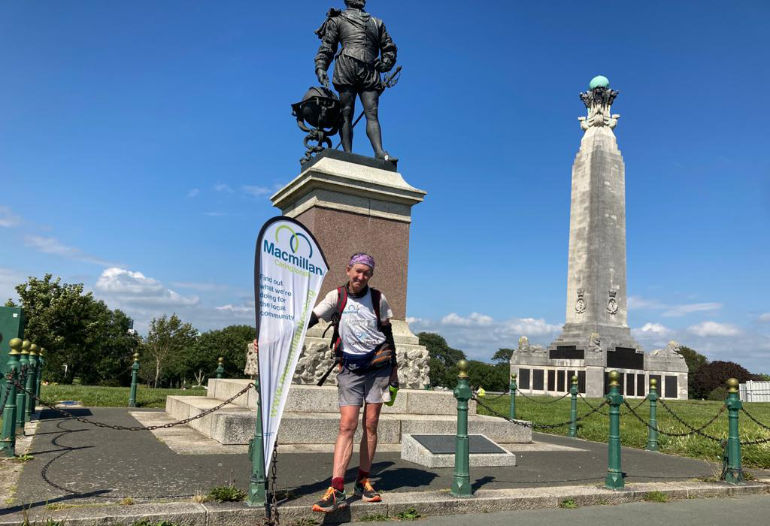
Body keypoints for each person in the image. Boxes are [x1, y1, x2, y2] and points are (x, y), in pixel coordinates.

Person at [253, 252, 397, 513]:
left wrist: (395, 369)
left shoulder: (378, 299)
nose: (361, 276)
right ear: (348, 270)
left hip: (378, 367)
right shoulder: (336, 296)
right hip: (350, 368)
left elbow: (388, 333)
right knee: (347, 425)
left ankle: (363, 479)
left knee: (371, 424)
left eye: (366, 273)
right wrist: (272, 337)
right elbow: (309, 320)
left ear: (371, 276)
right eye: (357, 271)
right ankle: (336, 487)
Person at [314, 0, 398, 161]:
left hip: (370, 69)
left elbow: (389, 47)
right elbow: (328, 46)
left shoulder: (376, 22)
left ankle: (379, 152)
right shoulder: (337, 19)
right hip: (346, 66)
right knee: (346, 112)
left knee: (372, 112)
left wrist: (386, 62)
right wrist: (321, 66)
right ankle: (347, 153)